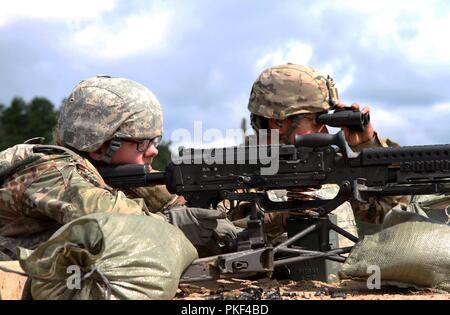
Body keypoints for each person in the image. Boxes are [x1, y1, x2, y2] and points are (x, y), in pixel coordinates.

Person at [0, 75, 238, 260]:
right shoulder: (53, 172)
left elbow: (186, 208)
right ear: (100, 146)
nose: (153, 151)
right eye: (142, 143)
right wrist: (175, 223)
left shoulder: (111, 173)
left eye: (155, 141)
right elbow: (116, 223)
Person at [230, 63, 408, 244]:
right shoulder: (233, 173)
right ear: (278, 122)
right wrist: (286, 216)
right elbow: (223, 237)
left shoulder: (323, 170)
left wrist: (367, 146)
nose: (326, 130)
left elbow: (387, 212)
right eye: (317, 120)